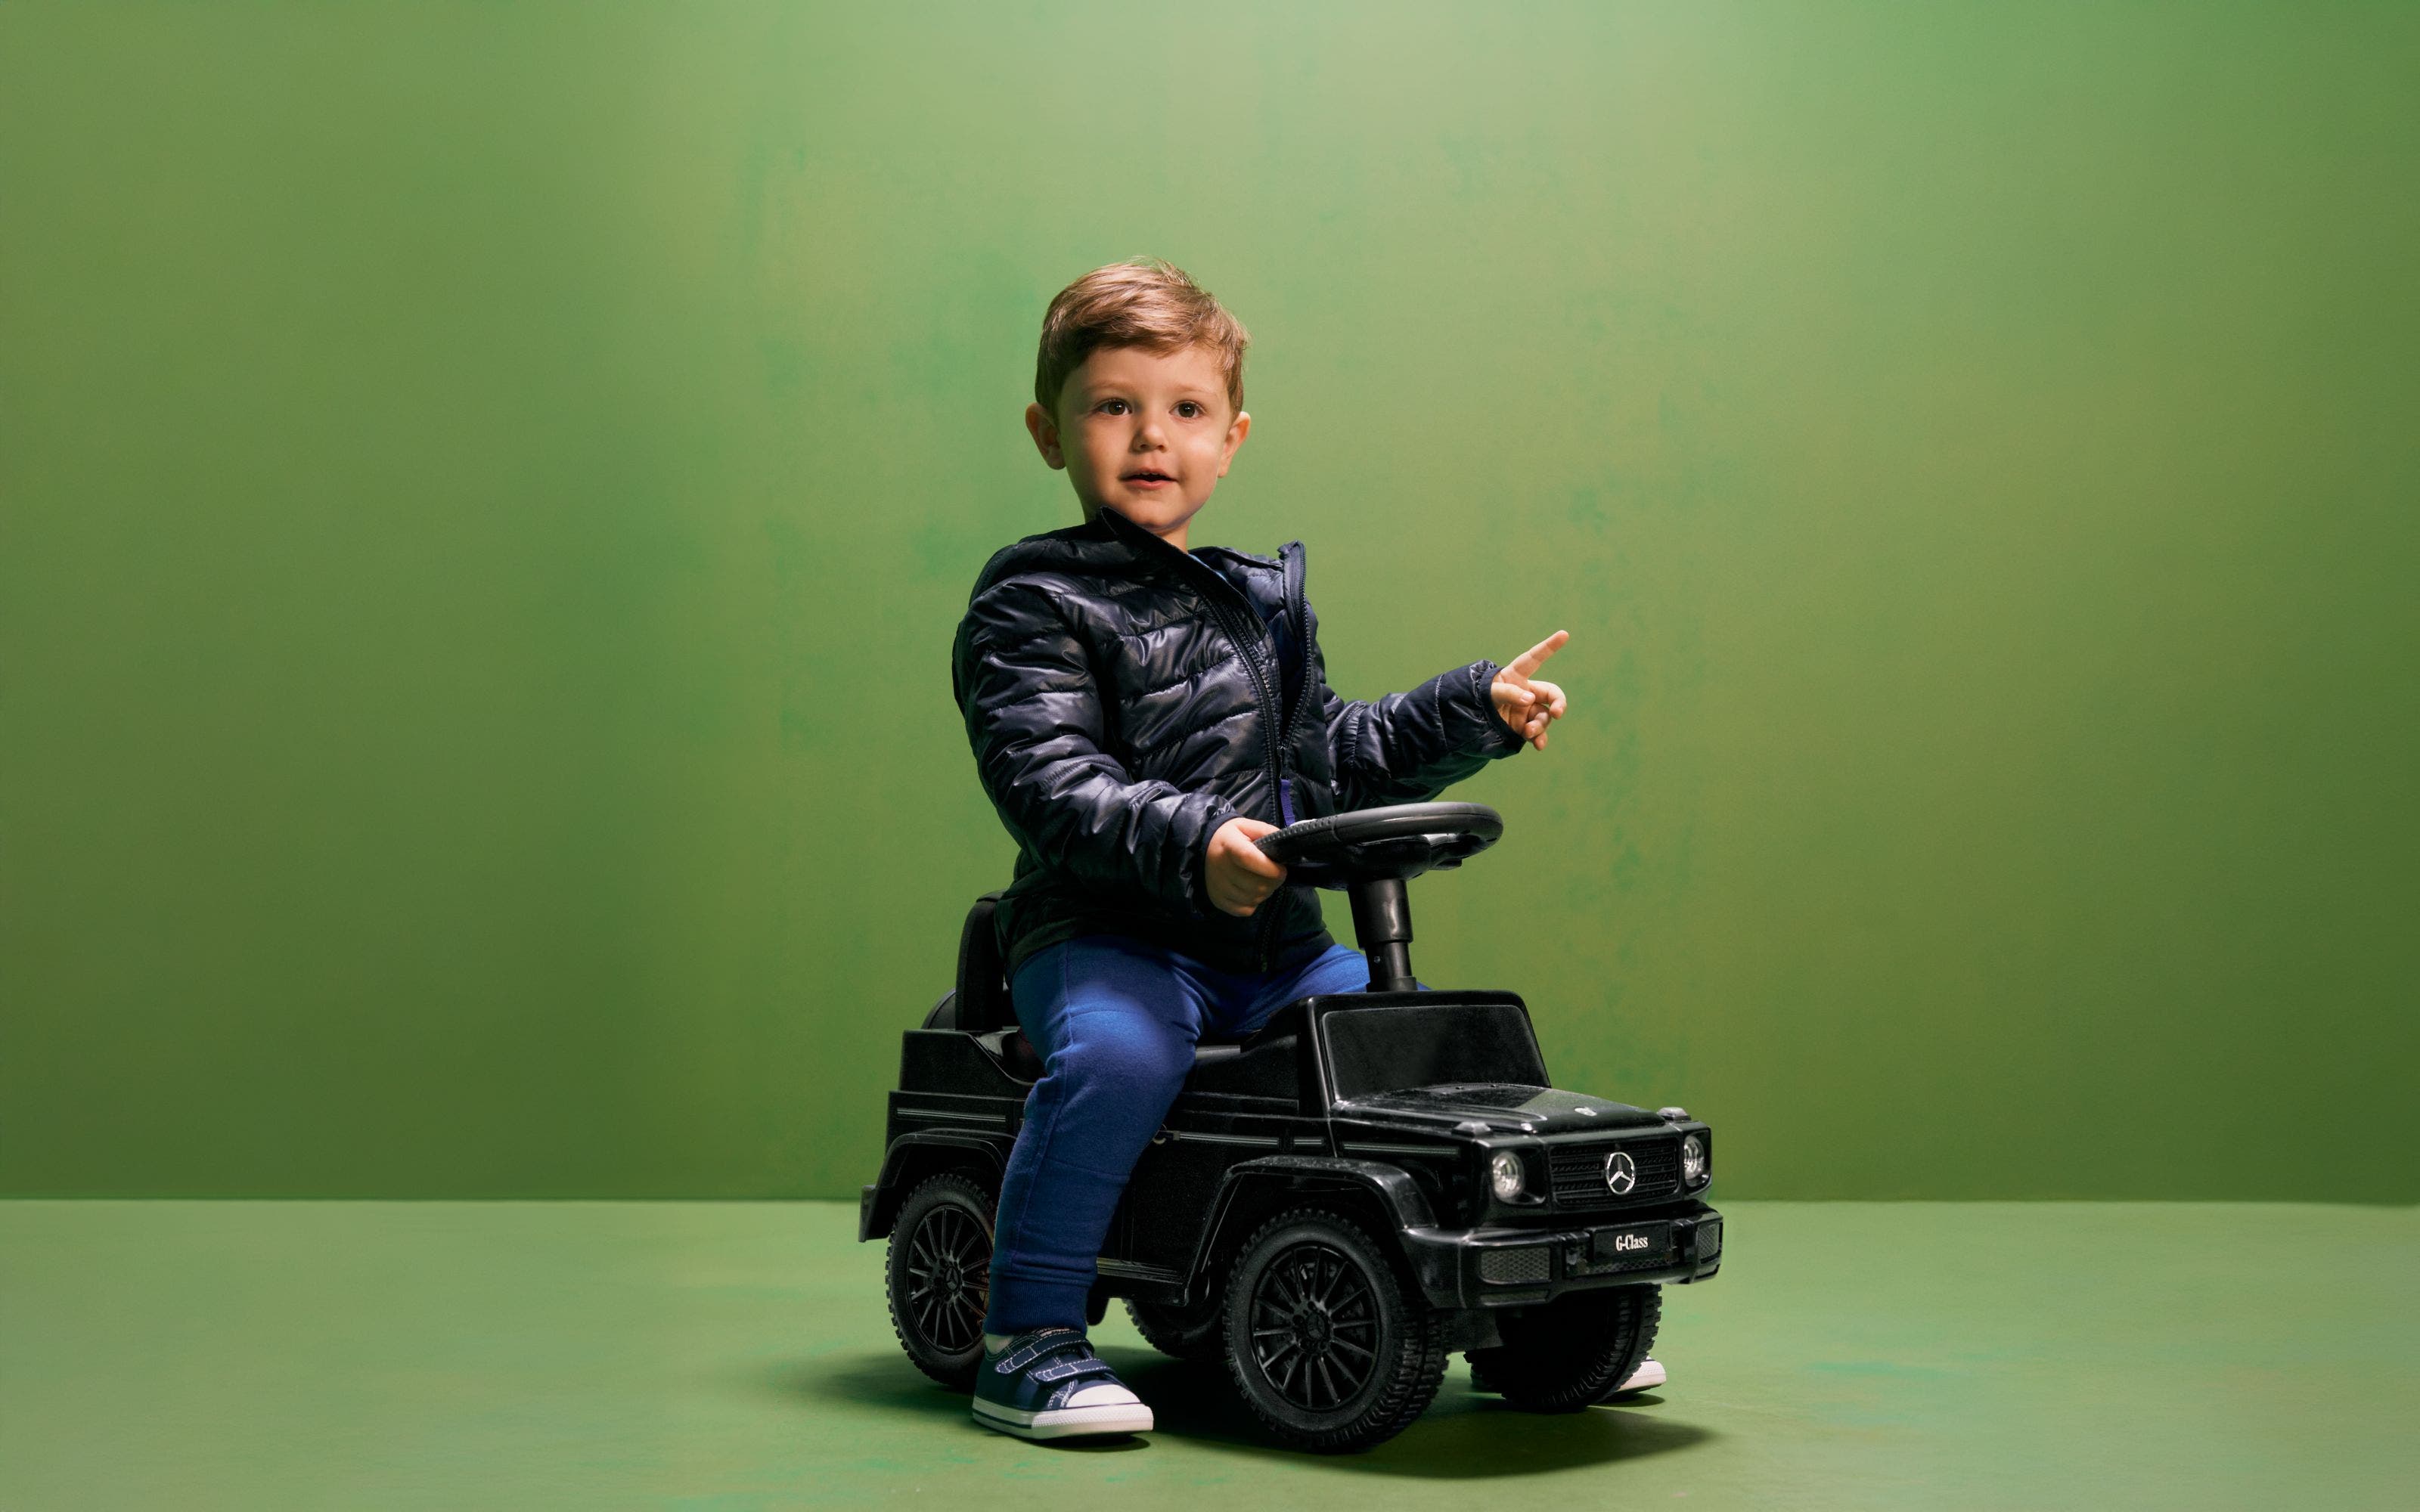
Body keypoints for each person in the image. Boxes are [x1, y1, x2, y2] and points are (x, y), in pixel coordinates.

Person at [951, 259, 1602, 1440]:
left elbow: (1335, 758)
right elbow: (1052, 784)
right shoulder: (1033, 604)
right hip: (1106, 936)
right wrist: (1196, 840)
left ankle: (1528, 1315)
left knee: (1413, 1056)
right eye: (1114, 407)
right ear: (1051, 433)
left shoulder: (1263, 606)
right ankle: (1030, 1335)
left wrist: (1471, 710)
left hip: (1275, 947)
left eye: (1186, 411)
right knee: (1119, 1060)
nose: (1153, 438)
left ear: (1232, 437)